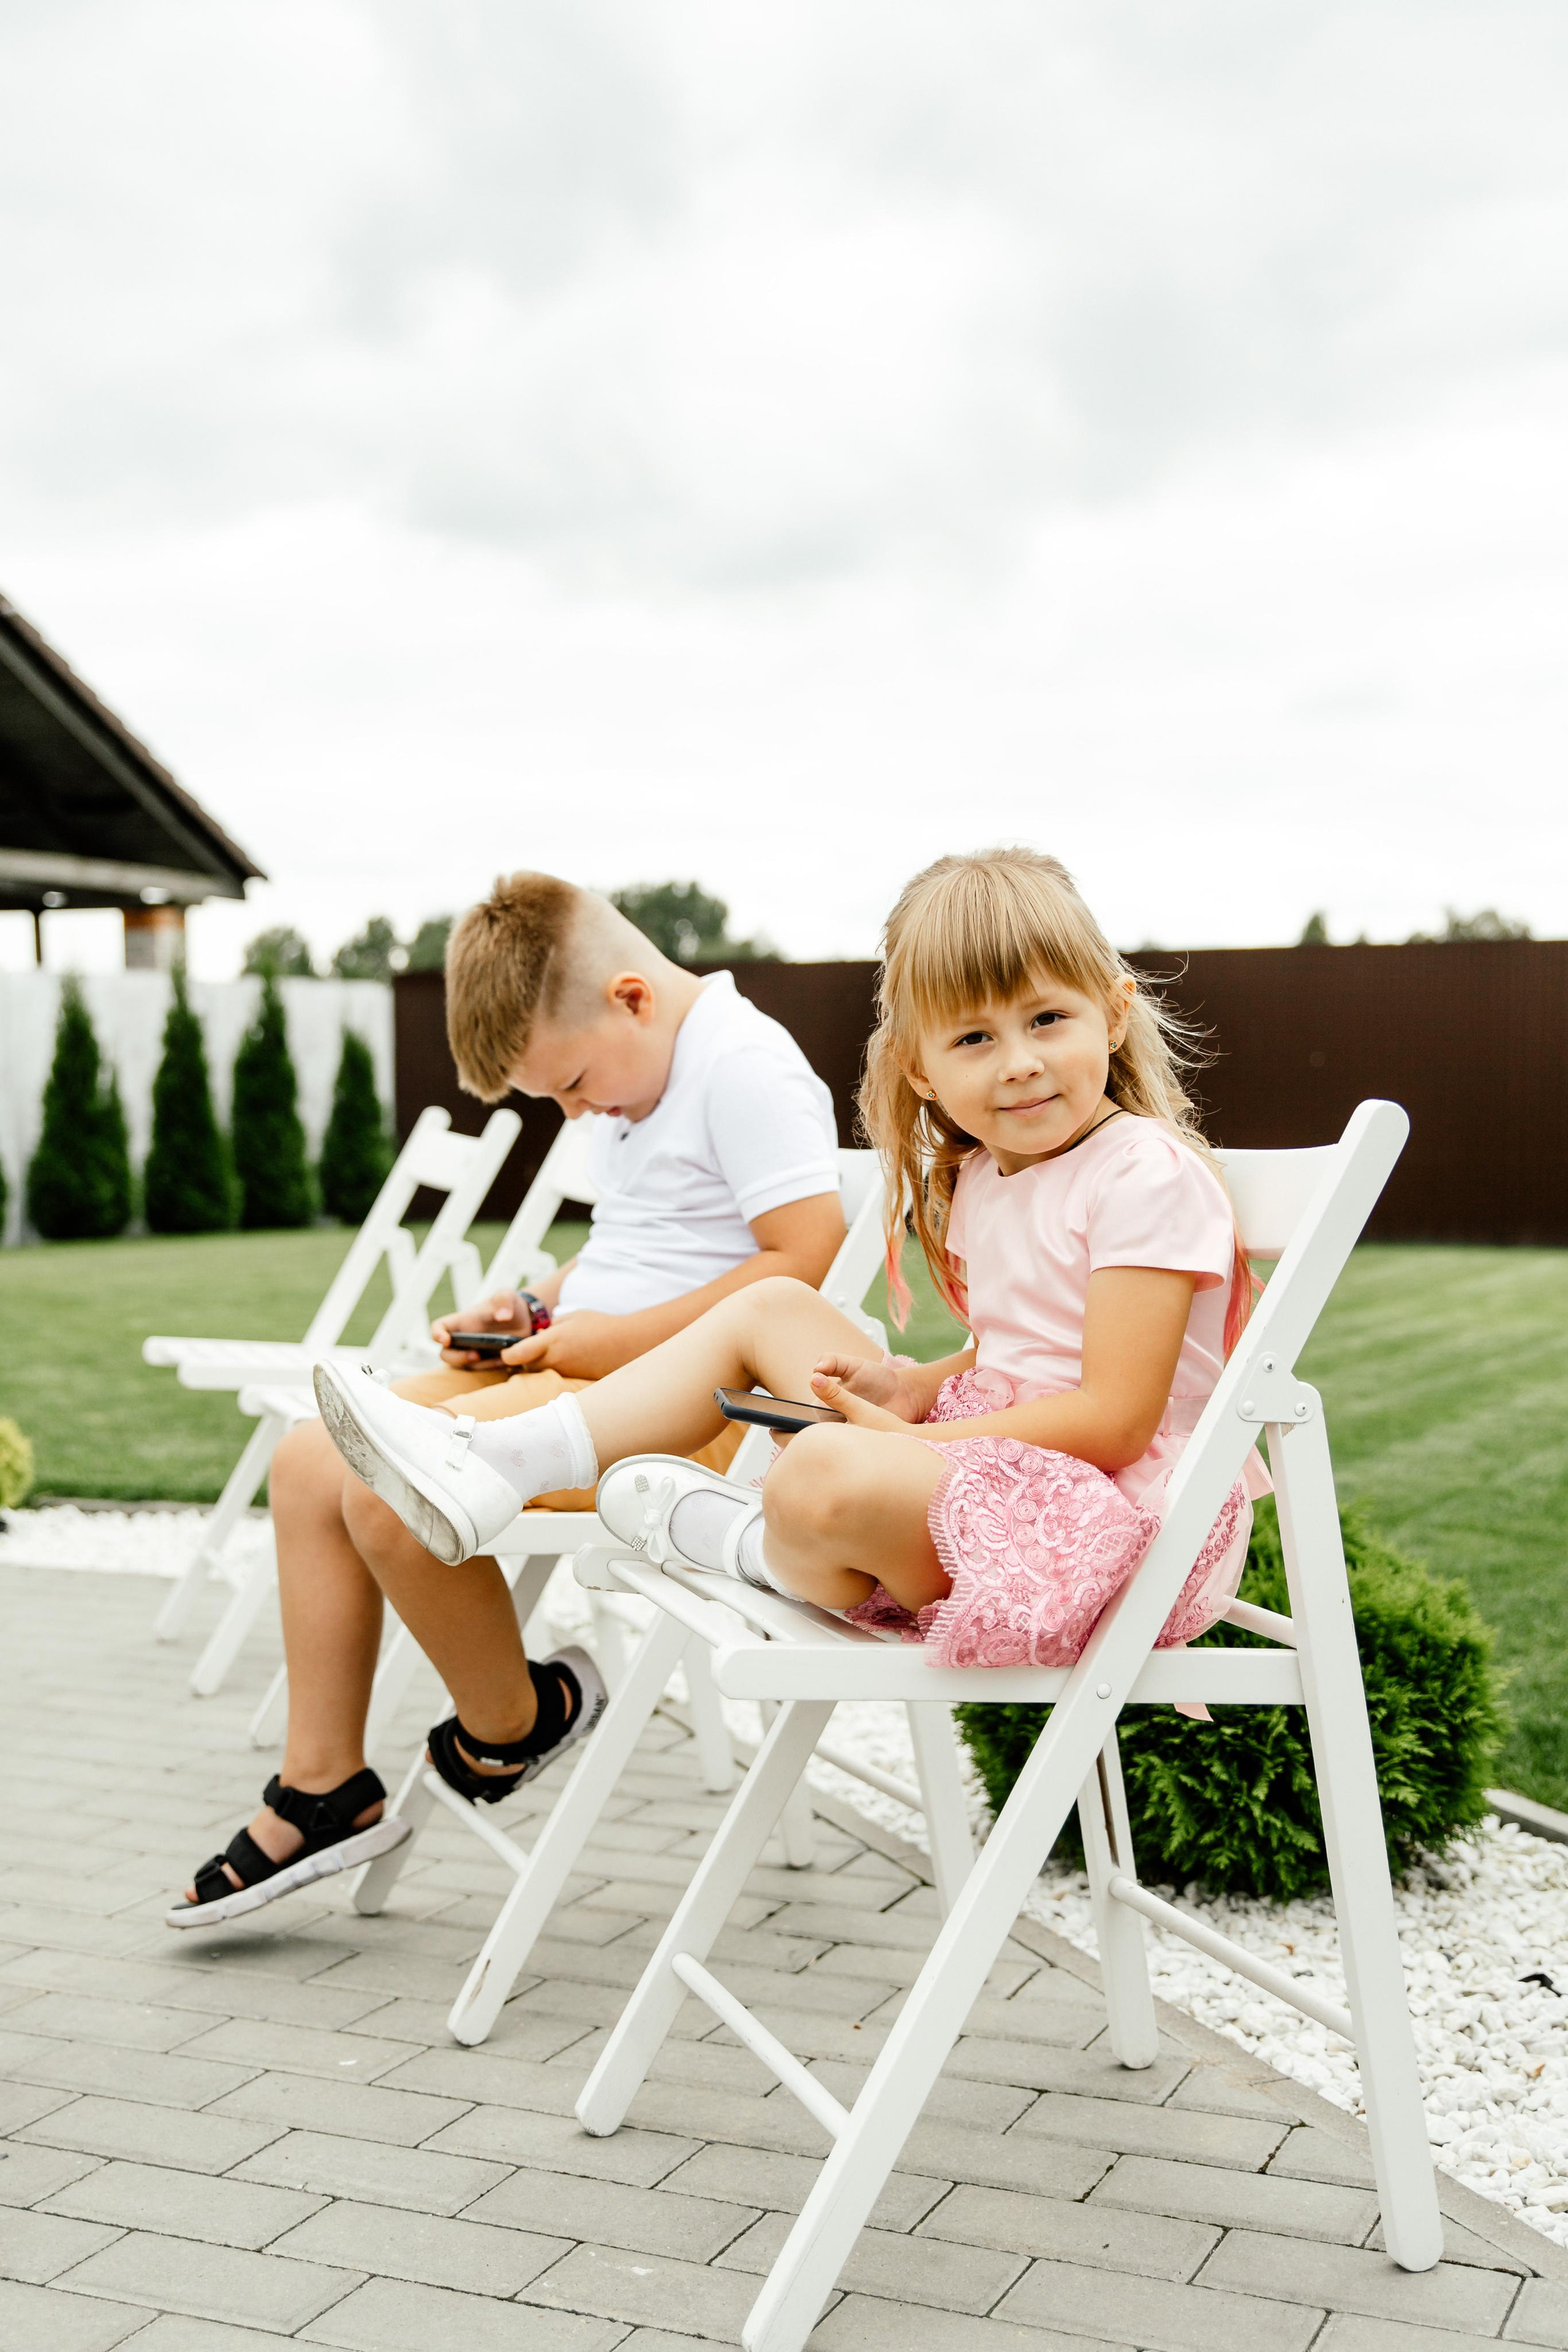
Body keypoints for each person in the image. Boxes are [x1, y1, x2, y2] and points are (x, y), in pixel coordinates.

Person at [310, 847, 1268, 1695]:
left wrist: (925, 1439)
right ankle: (505, 1461)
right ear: (923, 1071)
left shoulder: (1143, 1173)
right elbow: (1009, 1349)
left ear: (1111, 1013)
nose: (1018, 1064)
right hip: (1004, 1474)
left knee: (816, 1472)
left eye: (1047, 1019)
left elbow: (1113, 1419)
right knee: (773, 1307)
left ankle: (737, 1541)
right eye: (976, 1038)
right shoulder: (992, 1173)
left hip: (1103, 1524)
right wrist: (913, 1383)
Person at [170, 873, 844, 1926]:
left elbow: (802, 1266)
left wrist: (610, 1337)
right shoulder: (642, 1069)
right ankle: (325, 1788)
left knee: (392, 1489)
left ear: (630, 997)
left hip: (683, 1415)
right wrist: (534, 1303)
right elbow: (639, 1247)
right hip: (580, 1370)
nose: (573, 1112)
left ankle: (518, 1721)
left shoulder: (744, 1067)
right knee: (310, 1455)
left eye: (571, 1084)